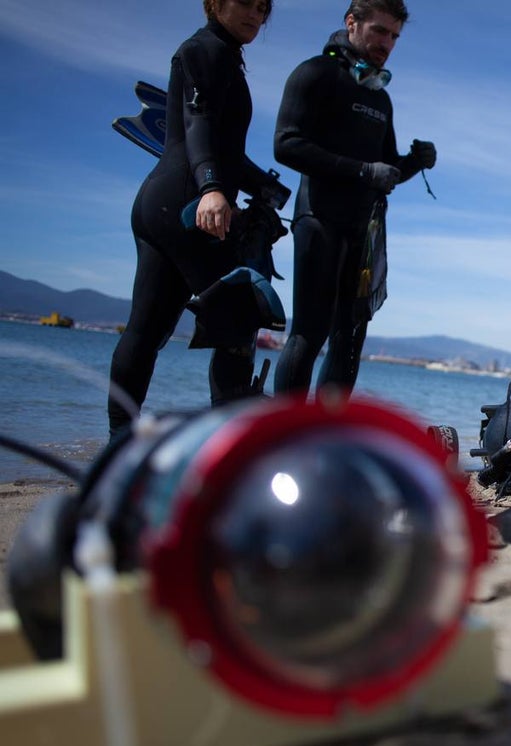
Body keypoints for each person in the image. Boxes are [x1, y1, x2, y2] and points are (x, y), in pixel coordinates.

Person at [108, 0, 276, 437]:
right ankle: (234, 444)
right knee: (240, 315)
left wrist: (261, 185)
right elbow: (197, 122)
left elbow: (224, 149)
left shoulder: (222, 57)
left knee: (146, 331)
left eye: (263, 7)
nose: (255, 15)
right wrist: (211, 188)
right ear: (213, 4)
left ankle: (119, 444)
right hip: (187, 205)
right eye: (245, 4)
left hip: (161, 204)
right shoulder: (204, 50)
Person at [272, 0, 436, 397]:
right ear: (351, 23)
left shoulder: (380, 97)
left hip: (363, 228)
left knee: (350, 339)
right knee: (309, 334)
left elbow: (386, 172)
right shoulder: (315, 73)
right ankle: (285, 438)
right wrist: (363, 171)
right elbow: (286, 145)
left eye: (394, 36)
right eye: (379, 31)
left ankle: (328, 440)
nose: (387, 43)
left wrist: (415, 162)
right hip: (319, 217)